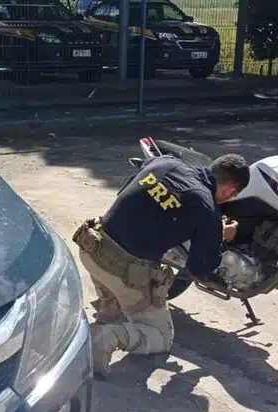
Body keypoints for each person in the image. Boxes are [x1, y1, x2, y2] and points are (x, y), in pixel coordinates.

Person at [71, 152, 250, 378]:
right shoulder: (207, 210)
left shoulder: (165, 162)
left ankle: (91, 332)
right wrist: (219, 235)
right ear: (230, 191)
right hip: (121, 270)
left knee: (116, 305)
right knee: (160, 335)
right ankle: (105, 339)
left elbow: (132, 195)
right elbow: (199, 268)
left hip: (92, 247)